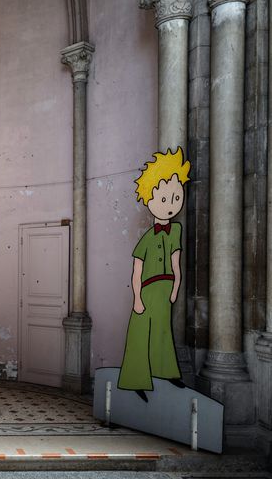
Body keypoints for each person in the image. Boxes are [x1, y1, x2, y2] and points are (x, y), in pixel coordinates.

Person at [118, 147, 190, 402]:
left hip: (164, 288)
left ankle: (166, 372)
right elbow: (137, 270)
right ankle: (135, 380)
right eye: (164, 199)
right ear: (150, 200)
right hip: (147, 290)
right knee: (140, 334)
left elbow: (176, 263)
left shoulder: (175, 231)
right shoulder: (148, 238)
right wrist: (137, 297)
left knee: (163, 331)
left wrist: (174, 288)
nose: (171, 205)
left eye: (175, 197)